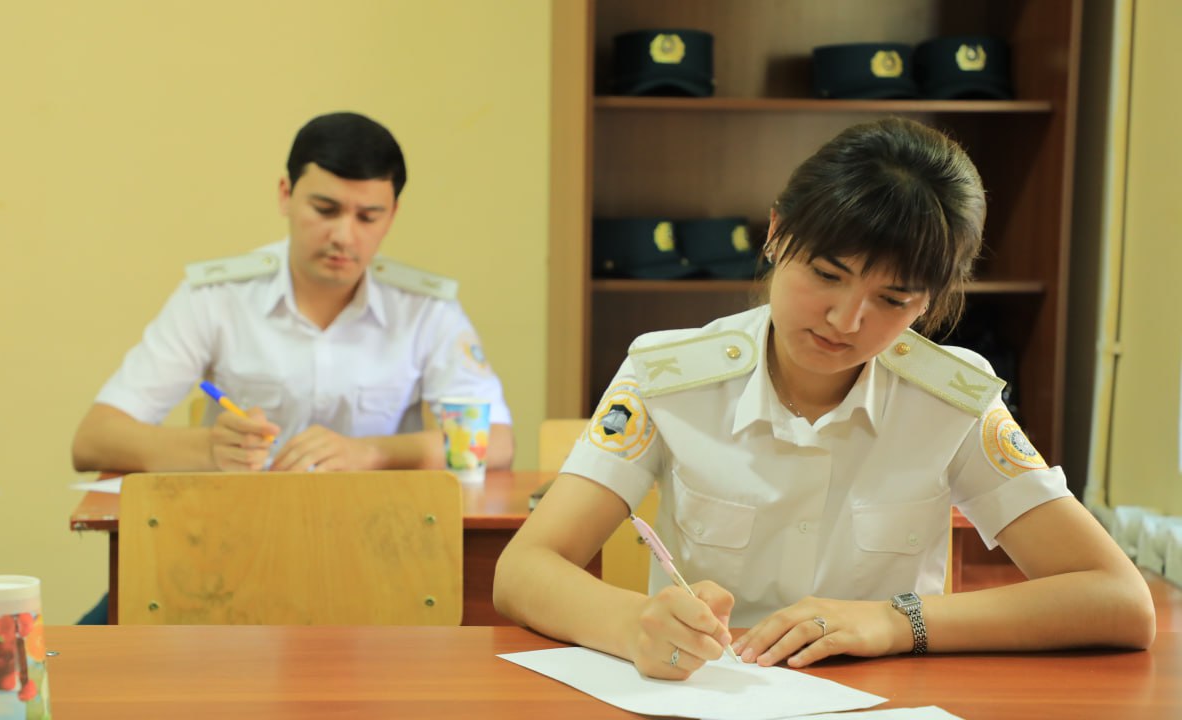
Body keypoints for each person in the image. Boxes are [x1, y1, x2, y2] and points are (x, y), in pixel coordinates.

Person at [493, 117, 1154, 679]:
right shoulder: (669, 376)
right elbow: (523, 570)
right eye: (826, 274)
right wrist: (634, 623)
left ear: (928, 303)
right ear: (777, 231)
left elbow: (1118, 600)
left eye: (892, 299)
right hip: (710, 694)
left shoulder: (951, 401)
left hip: (882, 702)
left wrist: (896, 622)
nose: (845, 320)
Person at [72, 111, 514, 477]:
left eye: (368, 217)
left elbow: (496, 441)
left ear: (392, 215)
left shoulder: (425, 308)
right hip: (242, 531)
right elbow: (93, 440)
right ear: (285, 195)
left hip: (379, 531)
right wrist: (209, 449)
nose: (343, 236)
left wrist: (372, 453)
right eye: (325, 210)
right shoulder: (217, 297)